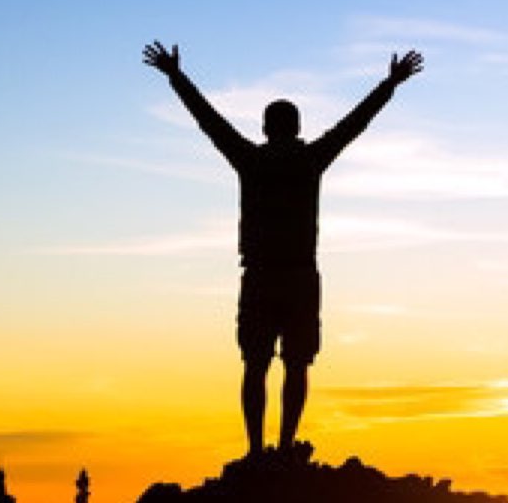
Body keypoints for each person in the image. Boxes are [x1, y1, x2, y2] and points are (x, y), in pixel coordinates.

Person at [142, 39, 423, 461]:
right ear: (294, 127)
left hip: (263, 275)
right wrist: (390, 85)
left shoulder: (252, 160)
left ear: (266, 128)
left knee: (257, 365)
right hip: (296, 276)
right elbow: (355, 123)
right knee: (295, 364)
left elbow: (208, 121)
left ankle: (258, 450)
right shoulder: (310, 159)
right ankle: (284, 444)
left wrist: (176, 77)